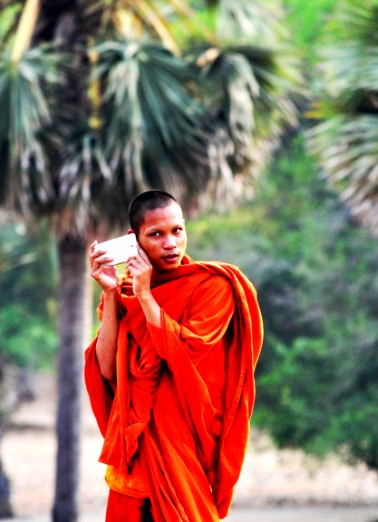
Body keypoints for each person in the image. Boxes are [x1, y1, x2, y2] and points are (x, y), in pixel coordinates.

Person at [84, 190, 263, 521]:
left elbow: (186, 351)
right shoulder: (121, 292)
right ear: (133, 239)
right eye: (156, 234)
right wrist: (111, 293)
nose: (170, 243)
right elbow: (106, 369)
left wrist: (145, 297)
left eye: (176, 230)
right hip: (137, 456)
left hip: (183, 446)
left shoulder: (211, 286)